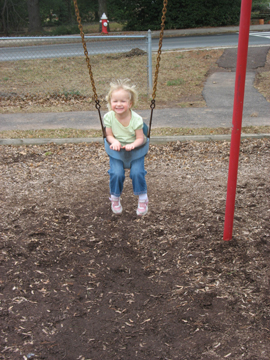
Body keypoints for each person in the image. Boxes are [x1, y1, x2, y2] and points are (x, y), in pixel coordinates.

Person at [104, 79, 148, 216]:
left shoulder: (136, 119)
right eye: (115, 101)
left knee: (137, 172)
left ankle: (143, 198)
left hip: (135, 150)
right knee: (116, 173)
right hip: (117, 151)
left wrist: (133, 144)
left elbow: (141, 138)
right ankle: (115, 198)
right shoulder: (109, 117)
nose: (118, 104)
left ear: (130, 103)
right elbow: (108, 135)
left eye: (123, 101)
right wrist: (114, 141)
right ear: (110, 103)